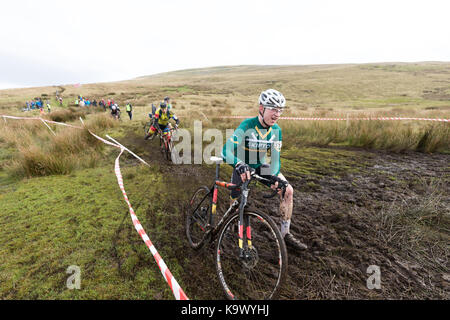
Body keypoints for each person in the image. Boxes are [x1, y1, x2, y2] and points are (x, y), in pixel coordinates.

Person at [221, 89, 307, 251]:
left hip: (261, 167)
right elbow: (225, 151)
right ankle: (231, 226)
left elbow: (275, 160)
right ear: (261, 108)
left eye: (280, 110)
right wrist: (238, 164)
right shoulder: (247, 125)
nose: (277, 114)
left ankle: (285, 234)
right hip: (242, 167)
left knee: (287, 190)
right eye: (273, 109)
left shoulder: (276, 131)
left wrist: (274, 176)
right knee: (237, 204)